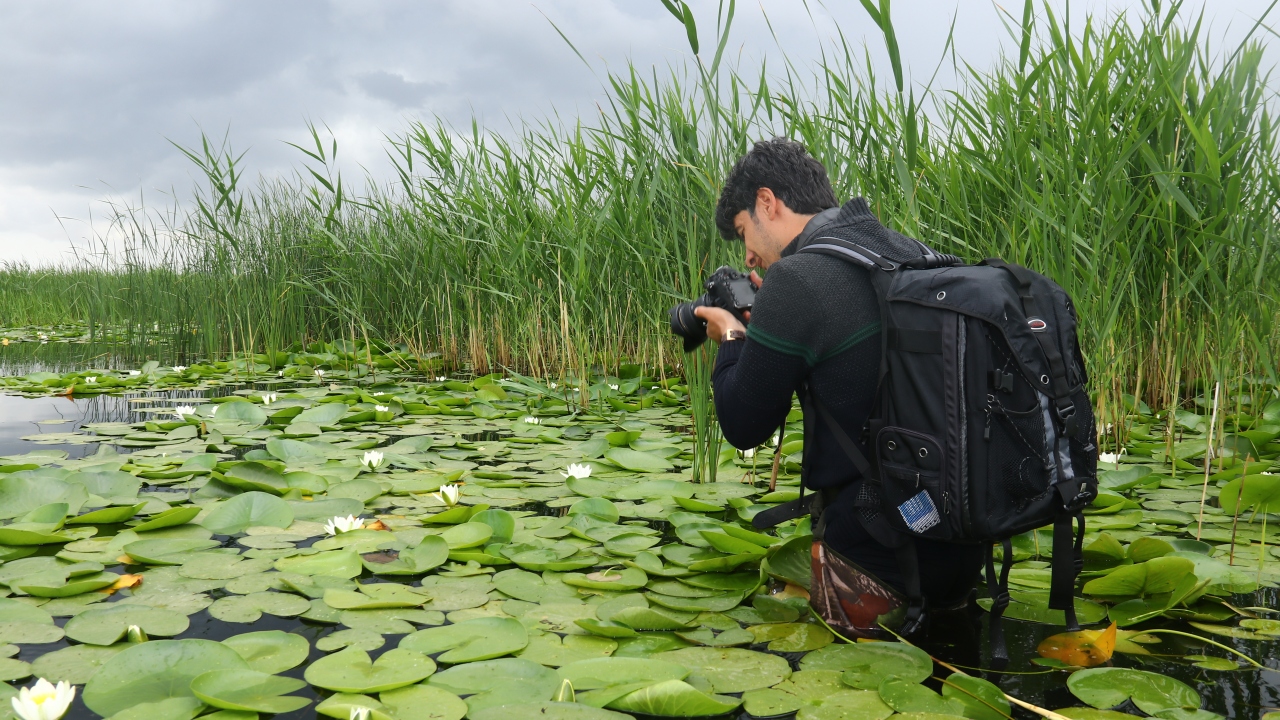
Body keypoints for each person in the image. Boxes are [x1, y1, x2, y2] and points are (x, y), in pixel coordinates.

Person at [694, 137, 984, 640]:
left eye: (744, 232)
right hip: (961, 543)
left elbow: (743, 426)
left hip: (872, 559)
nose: (748, 256)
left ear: (768, 202)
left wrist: (734, 335)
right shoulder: (911, 254)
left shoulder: (796, 279)